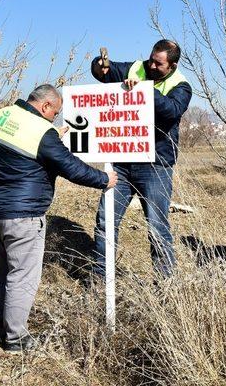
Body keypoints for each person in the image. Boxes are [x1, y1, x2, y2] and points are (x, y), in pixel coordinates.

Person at [0, 84, 117, 353]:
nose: (54, 118)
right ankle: (16, 338)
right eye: (54, 113)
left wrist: (51, 134)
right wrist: (104, 179)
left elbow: (24, 143)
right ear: (45, 106)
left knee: (2, 265)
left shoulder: (2, 116)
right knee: (23, 275)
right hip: (24, 213)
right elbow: (71, 168)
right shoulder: (43, 133)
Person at [91, 39, 192, 277]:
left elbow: (172, 110)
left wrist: (143, 90)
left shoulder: (181, 86)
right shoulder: (138, 67)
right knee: (105, 222)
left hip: (156, 166)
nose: (152, 66)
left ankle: (165, 283)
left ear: (173, 66)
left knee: (157, 227)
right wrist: (99, 66)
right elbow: (105, 71)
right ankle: (101, 279)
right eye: (151, 60)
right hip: (122, 164)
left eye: (158, 64)